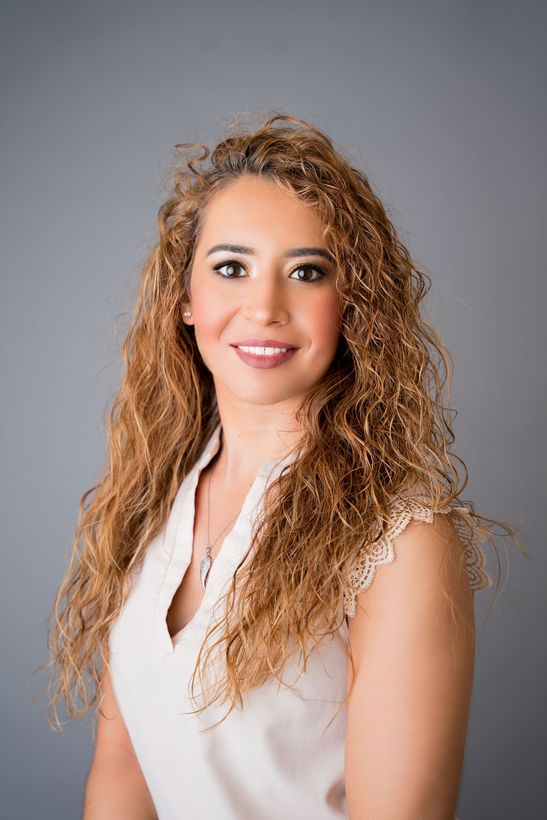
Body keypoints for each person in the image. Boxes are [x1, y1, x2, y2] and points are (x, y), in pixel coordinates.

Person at [43, 112, 521, 819]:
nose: (263, 308)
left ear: (351, 305)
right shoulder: (148, 508)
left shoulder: (399, 544)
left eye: (306, 272)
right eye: (230, 268)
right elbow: (121, 785)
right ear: (183, 298)